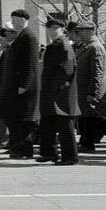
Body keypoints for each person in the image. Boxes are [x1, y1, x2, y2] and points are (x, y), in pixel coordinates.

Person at [36, 17, 79, 164]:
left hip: (60, 92)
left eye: (55, 29)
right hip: (51, 90)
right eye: (49, 29)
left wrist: (57, 86)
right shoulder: (55, 45)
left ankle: (70, 157)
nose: (52, 32)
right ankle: (49, 153)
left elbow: (67, 69)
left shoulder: (63, 45)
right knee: (48, 122)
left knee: (64, 124)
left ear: (62, 30)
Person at [74, 21, 106, 152]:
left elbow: (98, 71)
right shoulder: (88, 46)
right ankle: (87, 142)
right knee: (86, 117)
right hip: (84, 88)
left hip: (90, 89)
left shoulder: (95, 47)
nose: (79, 34)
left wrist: (92, 92)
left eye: (81, 31)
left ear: (90, 31)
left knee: (89, 117)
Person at [0, 10, 40, 158]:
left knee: (23, 121)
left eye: (16, 20)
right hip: (15, 86)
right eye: (13, 21)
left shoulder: (29, 36)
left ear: (24, 20)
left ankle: (24, 150)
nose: (14, 23)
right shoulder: (20, 36)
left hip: (24, 88)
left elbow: (30, 63)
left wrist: (24, 85)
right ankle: (17, 148)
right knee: (15, 119)